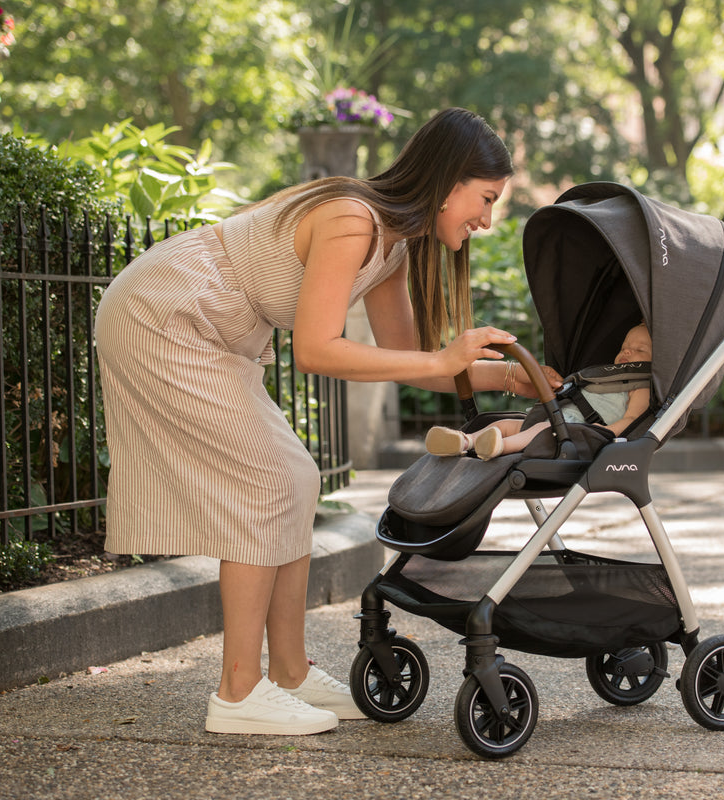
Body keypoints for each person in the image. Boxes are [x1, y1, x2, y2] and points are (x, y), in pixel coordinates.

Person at [94, 108, 557, 737]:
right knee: (269, 480)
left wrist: (512, 376)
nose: (487, 218)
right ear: (448, 182)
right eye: (485, 198)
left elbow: (413, 364)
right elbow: (317, 349)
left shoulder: (391, 244)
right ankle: (238, 692)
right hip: (165, 314)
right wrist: (447, 357)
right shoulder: (352, 218)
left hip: (208, 326)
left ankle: (287, 672)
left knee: (297, 477)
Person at [424, 323, 652, 460]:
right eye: (625, 348)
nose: (629, 352)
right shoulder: (603, 376)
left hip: (580, 433)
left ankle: (499, 447)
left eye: (640, 349)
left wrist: (604, 432)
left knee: (542, 429)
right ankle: (465, 441)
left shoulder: (640, 385)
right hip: (559, 420)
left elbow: (633, 418)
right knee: (505, 424)